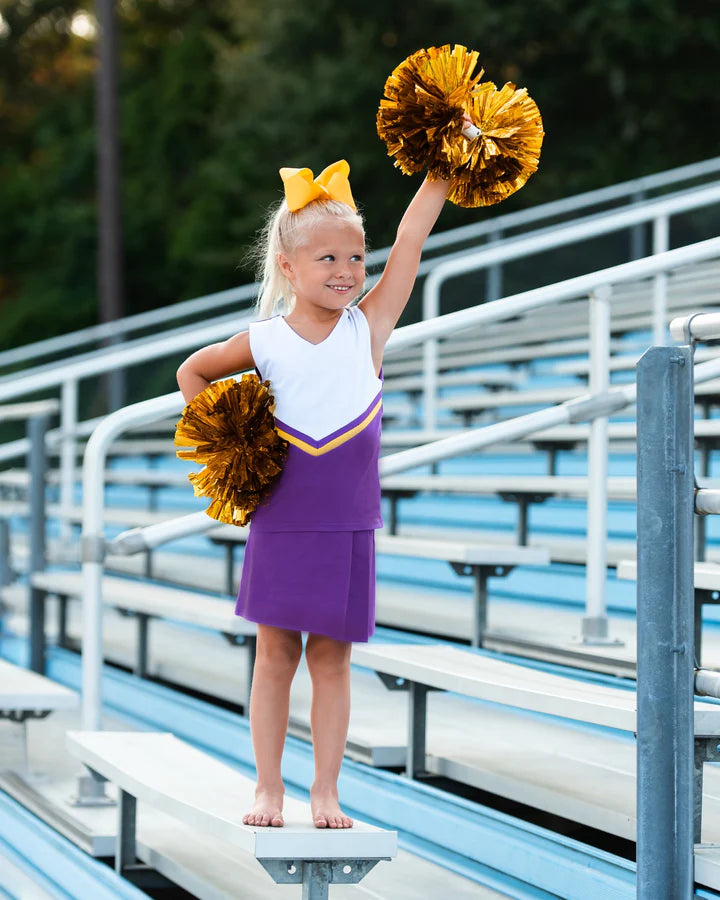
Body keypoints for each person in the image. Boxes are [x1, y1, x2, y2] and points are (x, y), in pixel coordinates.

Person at [176, 157, 453, 831]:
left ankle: (325, 791)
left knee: (332, 661)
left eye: (356, 257)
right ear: (288, 266)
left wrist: (443, 172)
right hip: (281, 519)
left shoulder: (370, 327)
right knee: (275, 657)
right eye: (327, 257)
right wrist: (228, 441)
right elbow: (193, 372)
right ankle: (267, 788)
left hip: (348, 523)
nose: (345, 270)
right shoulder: (264, 340)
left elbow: (411, 238)